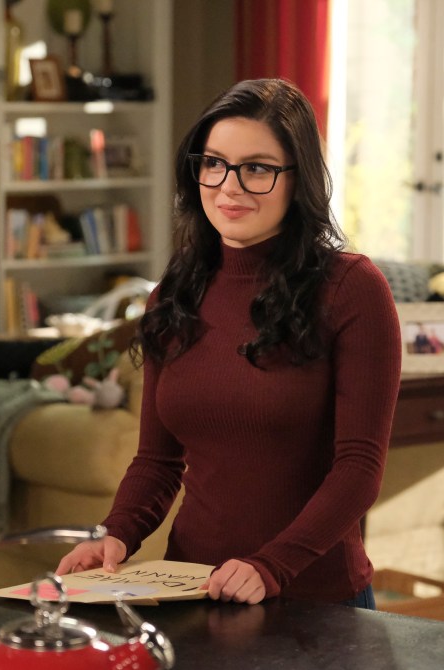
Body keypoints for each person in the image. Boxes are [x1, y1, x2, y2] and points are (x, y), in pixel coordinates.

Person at [56, 78, 402, 608]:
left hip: (316, 601)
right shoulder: (174, 294)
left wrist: (272, 565)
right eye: (214, 163)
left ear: (299, 179)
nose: (228, 186)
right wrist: (115, 533)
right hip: (190, 592)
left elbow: (359, 469)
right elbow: (157, 460)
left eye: (257, 168)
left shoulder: (352, 289)